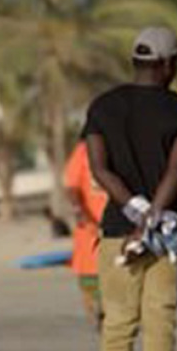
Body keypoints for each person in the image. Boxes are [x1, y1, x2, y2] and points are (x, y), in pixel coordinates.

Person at [84, 26, 177, 351]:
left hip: (118, 232)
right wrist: (152, 217)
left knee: (117, 324)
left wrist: (133, 210)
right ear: (168, 64)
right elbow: (176, 170)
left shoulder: (102, 107)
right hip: (166, 236)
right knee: (160, 325)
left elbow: (100, 169)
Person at [64, 139, 110, 329]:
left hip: (123, 226)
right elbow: (72, 186)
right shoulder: (83, 150)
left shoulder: (125, 142)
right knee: (91, 277)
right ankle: (98, 315)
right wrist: (80, 211)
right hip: (91, 228)